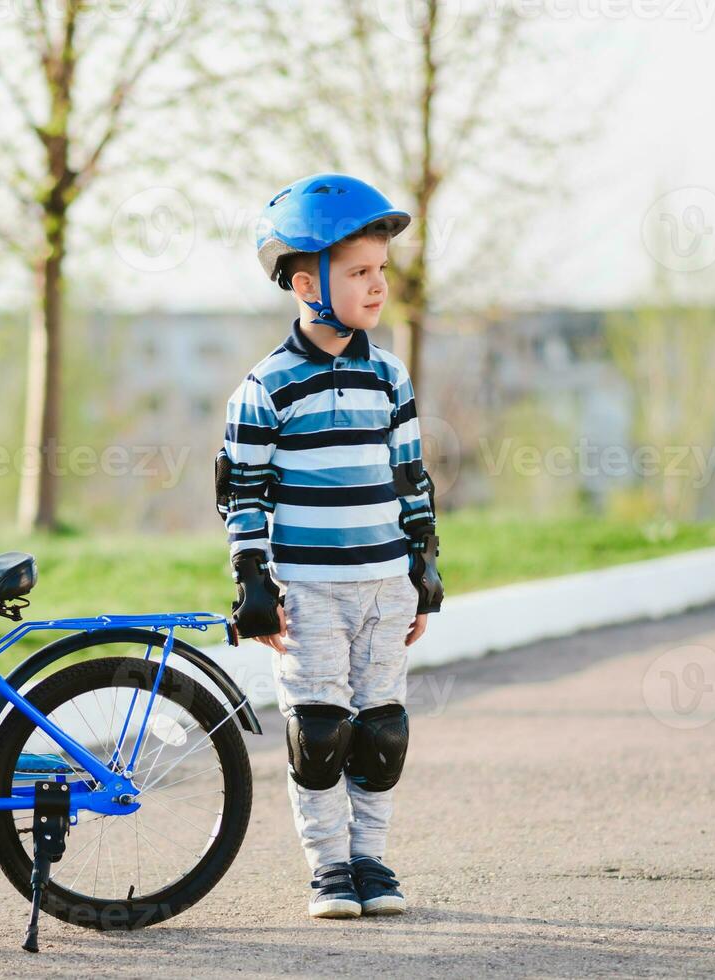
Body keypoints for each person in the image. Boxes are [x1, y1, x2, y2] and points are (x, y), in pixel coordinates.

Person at [215, 173, 444, 919]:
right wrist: (253, 579)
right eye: (359, 273)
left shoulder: (389, 376)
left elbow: (412, 477)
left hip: (383, 585)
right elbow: (242, 492)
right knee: (319, 733)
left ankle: (371, 861)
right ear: (307, 281)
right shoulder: (268, 386)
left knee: (381, 732)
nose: (377, 286)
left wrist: (425, 562)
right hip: (307, 590)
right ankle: (328, 870)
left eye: (381, 270)